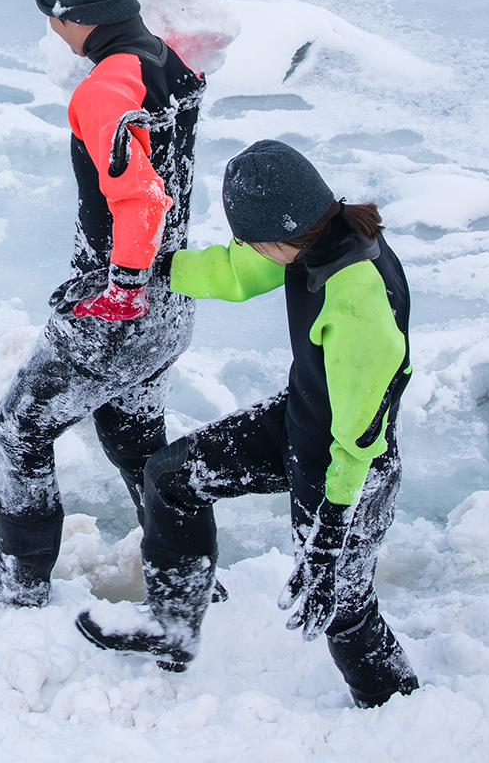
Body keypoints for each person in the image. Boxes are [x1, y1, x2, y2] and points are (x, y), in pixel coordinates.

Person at [76, 139, 420, 709]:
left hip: (349, 469)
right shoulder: (315, 237)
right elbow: (236, 273)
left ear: (284, 232)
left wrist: (330, 528)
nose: (248, 248)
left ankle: (397, 707)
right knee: (171, 478)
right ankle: (174, 626)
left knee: (340, 603)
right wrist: (151, 270)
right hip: (300, 422)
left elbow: (360, 429)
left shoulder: (357, 292)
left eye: (253, 239)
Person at [0, 0, 205, 608]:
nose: (51, 31)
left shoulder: (104, 90)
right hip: (176, 301)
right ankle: (188, 573)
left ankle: (17, 576)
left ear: (69, 15)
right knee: (135, 436)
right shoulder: (167, 62)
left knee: (20, 427)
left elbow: (140, 198)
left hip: (123, 308)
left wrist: (121, 291)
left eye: (50, 17)